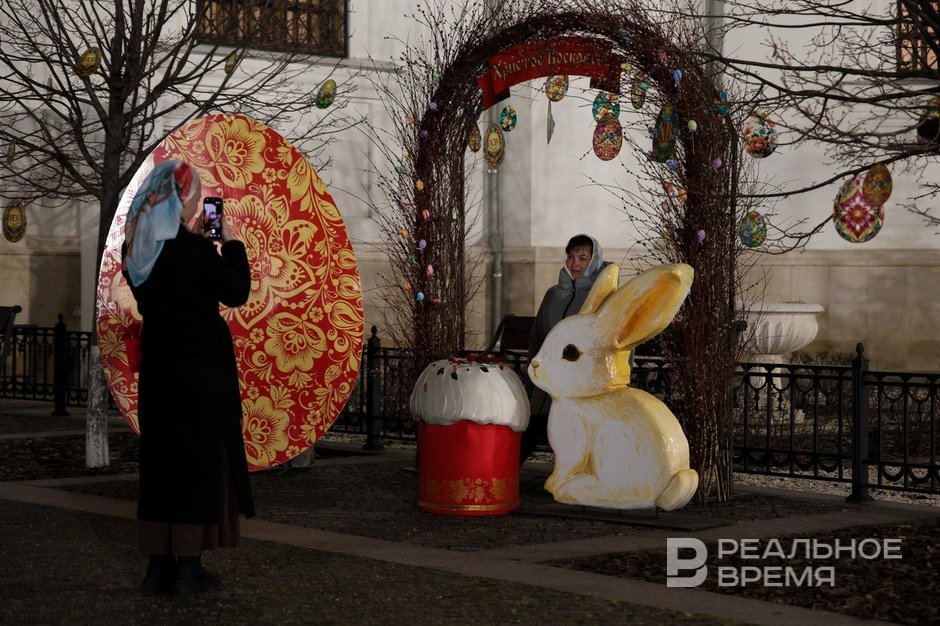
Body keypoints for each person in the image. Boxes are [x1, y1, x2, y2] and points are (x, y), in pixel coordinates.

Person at [122, 159, 254, 596]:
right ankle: (188, 569)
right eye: (195, 197)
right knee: (197, 467)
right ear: (182, 201)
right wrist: (229, 243)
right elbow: (236, 291)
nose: (199, 204)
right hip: (201, 378)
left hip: (159, 377)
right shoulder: (195, 252)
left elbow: (158, 288)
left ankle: (157, 567)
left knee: (161, 466)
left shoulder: (137, 254)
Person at [520, 234, 611, 464]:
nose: (575, 263)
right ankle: (504, 474)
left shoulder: (602, 298)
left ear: (594, 261)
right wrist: (531, 377)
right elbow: (537, 337)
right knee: (531, 423)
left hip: (580, 387)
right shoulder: (553, 295)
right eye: (570, 256)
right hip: (548, 383)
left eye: (582, 258)